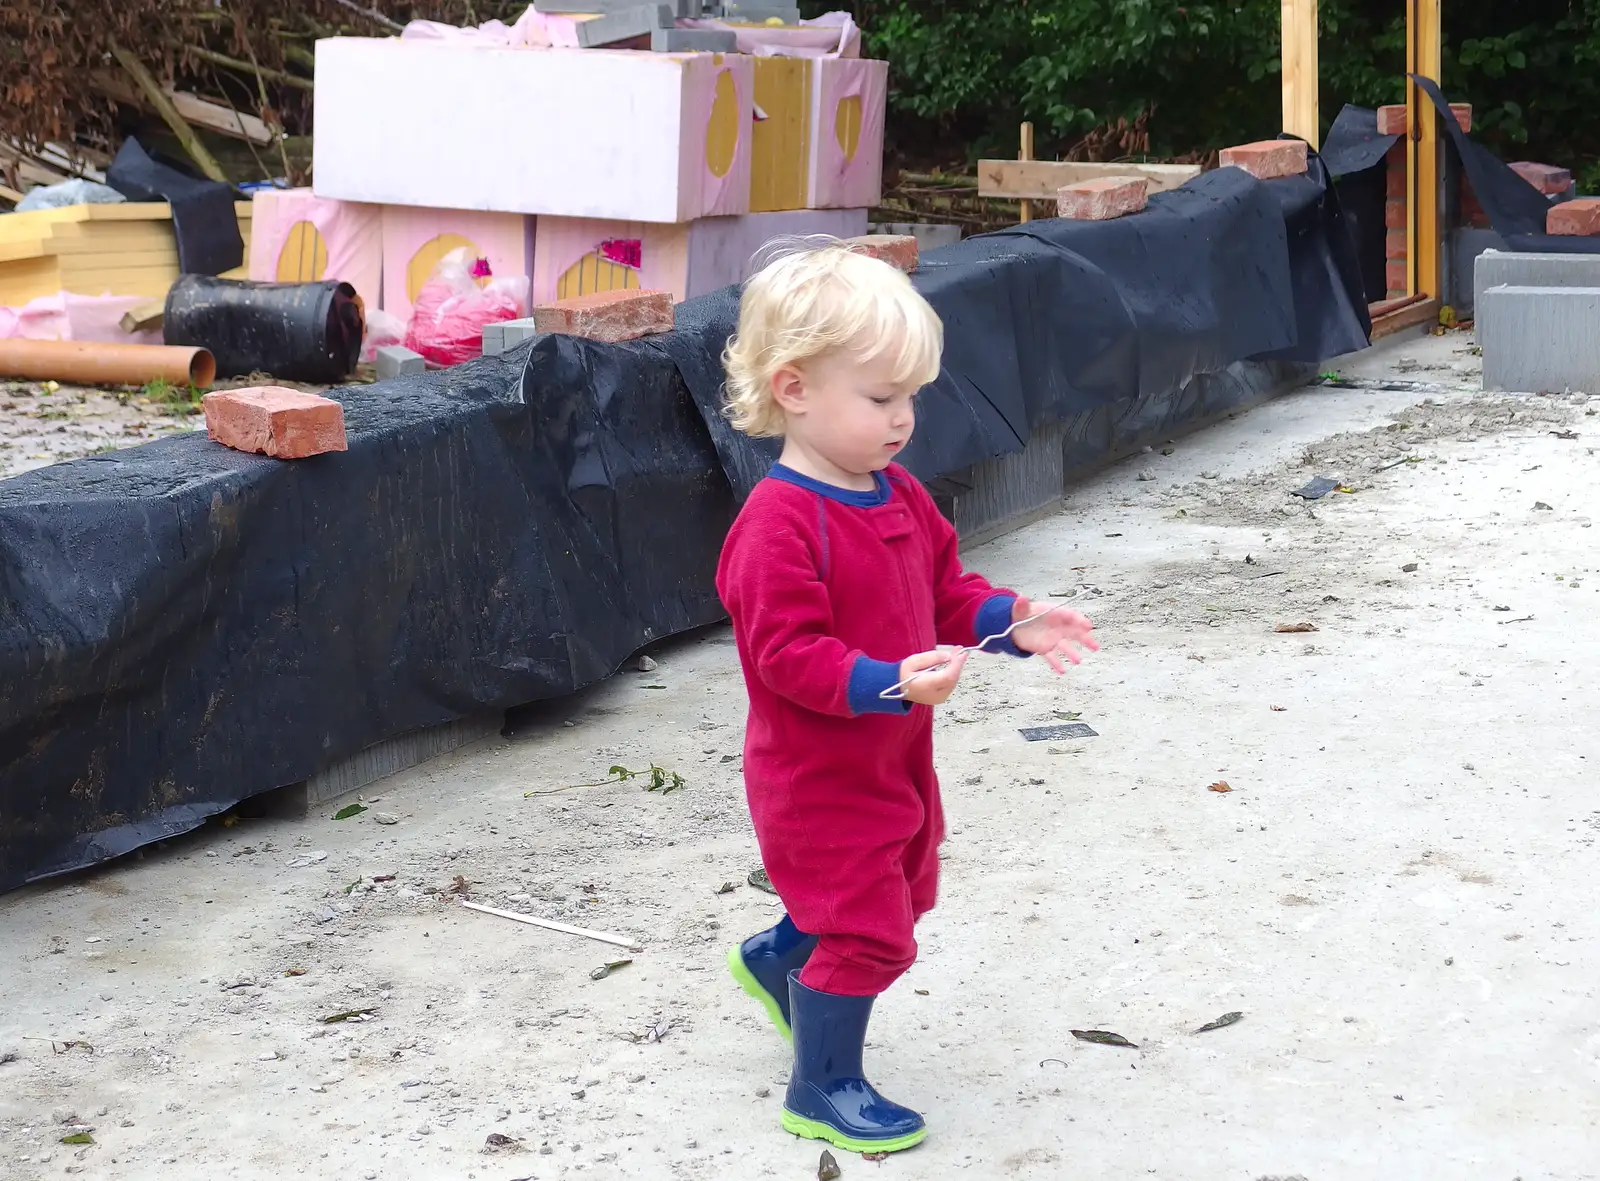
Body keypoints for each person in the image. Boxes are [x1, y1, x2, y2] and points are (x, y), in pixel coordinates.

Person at [715, 240, 1099, 1155]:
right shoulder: (776, 525)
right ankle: (823, 1084)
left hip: (894, 756)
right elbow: (785, 655)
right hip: (817, 776)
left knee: (896, 888)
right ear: (795, 388)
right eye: (881, 398)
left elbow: (945, 593)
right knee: (874, 934)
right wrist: (884, 680)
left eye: (910, 397)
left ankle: (776, 961)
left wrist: (1013, 621)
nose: (903, 419)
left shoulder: (899, 496)